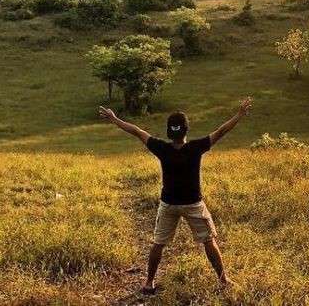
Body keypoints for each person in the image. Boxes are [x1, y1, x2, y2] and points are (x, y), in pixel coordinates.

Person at [98, 97, 252, 296]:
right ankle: (224, 280)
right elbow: (221, 131)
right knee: (209, 241)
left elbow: (137, 131)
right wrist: (239, 114)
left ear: (169, 131)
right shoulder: (196, 147)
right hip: (193, 205)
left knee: (158, 243)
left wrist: (115, 119)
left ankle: (149, 282)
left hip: (168, 204)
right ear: (186, 130)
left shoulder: (162, 148)